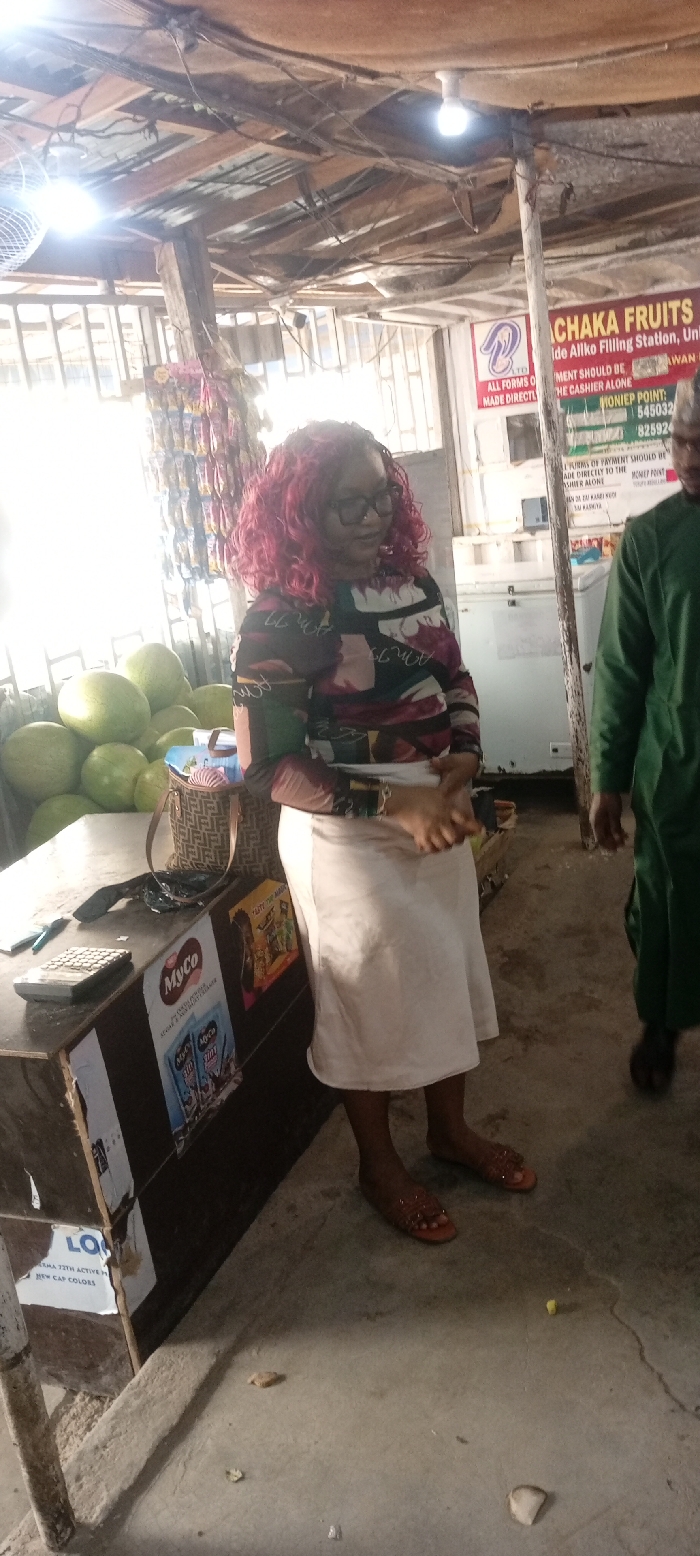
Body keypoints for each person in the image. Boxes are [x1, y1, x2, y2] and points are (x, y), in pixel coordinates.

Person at [231, 420, 536, 1244]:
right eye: (347, 505)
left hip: (436, 811)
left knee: (443, 974)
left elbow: (452, 673)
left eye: (381, 498)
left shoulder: (411, 583)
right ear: (300, 513)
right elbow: (268, 765)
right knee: (365, 999)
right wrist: (394, 805)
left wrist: (464, 752)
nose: (370, 519)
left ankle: (449, 1132)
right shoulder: (282, 618)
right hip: (346, 838)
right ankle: (378, 1163)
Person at [590, 370, 700, 1092]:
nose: (689, 458)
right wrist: (608, 779)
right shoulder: (650, 539)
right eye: (680, 440)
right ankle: (661, 1024)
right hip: (676, 772)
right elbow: (622, 668)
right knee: (667, 902)